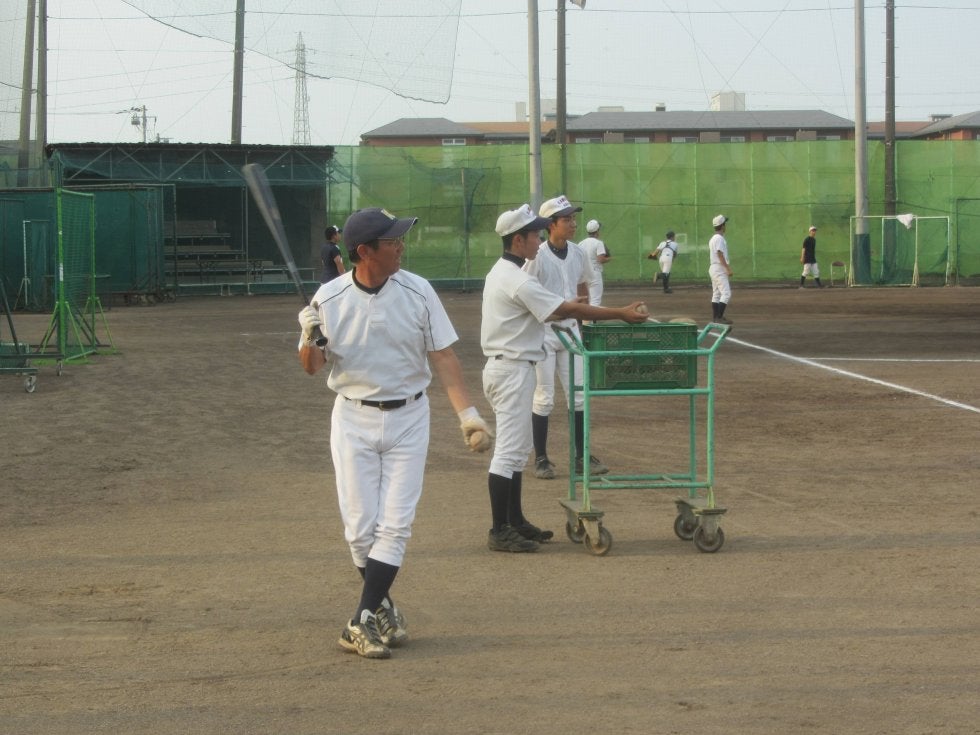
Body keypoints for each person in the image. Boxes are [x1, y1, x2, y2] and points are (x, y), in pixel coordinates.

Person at [297, 207, 492, 659]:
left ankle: (360, 620)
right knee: (359, 530)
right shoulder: (328, 298)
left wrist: (468, 415)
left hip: (409, 417)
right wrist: (309, 337)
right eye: (392, 241)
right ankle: (382, 607)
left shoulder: (418, 290)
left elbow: (442, 355)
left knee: (396, 524)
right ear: (365, 251)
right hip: (352, 419)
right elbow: (312, 367)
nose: (401, 246)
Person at [482, 204, 648, 551]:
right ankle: (499, 530)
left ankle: (515, 520)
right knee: (508, 453)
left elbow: (557, 309)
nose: (538, 239)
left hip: (514, 366)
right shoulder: (516, 278)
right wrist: (619, 313)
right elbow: (564, 309)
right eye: (534, 234)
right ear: (518, 240)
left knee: (517, 451)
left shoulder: (508, 272)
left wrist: (577, 308)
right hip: (510, 369)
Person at [524, 195, 608, 481]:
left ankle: (582, 456)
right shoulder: (537, 256)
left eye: (573, 218)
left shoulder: (577, 252)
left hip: (571, 331)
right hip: (544, 334)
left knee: (580, 394)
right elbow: (526, 292)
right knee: (544, 398)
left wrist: (582, 321)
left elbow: (582, 284)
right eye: (567, 219)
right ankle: (541, 458)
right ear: (551, 224)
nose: (573, 223)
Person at [578, 219, 611, 306]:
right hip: (595, 273)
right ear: (597, 231)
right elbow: (601, 259)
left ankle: (584, 315)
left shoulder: (581, 243)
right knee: (595, 300)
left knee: (585, 300)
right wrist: (609, 259)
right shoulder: (599, 243)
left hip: (583, 273)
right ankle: (591, 315)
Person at [709, 214, 733, 325]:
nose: (725, 226)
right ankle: (719, 317)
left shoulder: (713, 238)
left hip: (714, 268)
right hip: (719, 268)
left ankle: (715, 317)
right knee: (726, 293)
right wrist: (727, 268)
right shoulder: (719, 239)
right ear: (722, 226)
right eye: (725, 224)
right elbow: (720, 254)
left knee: (716, 294)